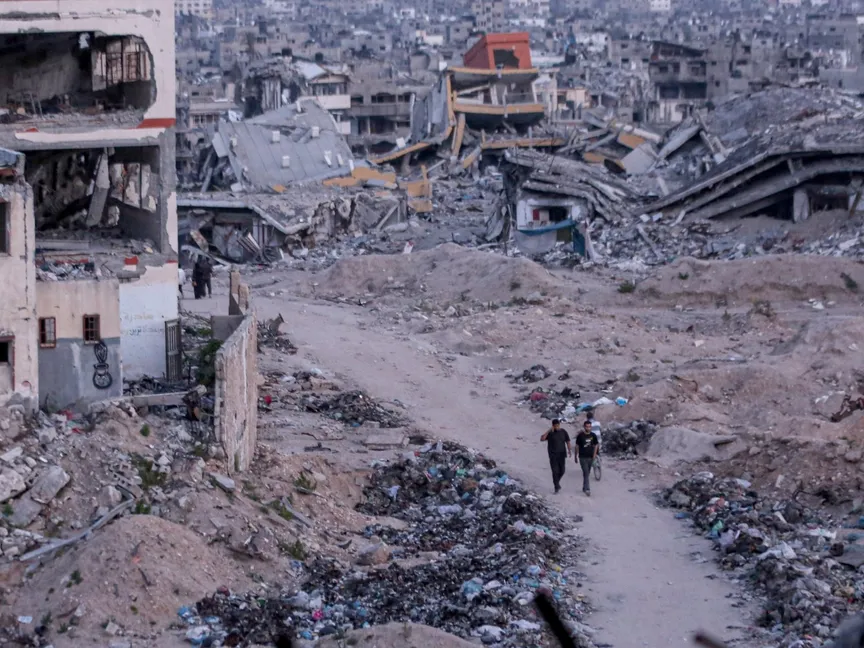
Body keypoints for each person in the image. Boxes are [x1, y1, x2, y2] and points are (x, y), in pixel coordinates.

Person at [541, 419, 571, 494]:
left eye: (558, 425)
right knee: (555, 471)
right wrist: (549, 430)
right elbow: (542, 438)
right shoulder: (550, 433)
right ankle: (556, 487)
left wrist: (569, 450)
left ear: (559, 425)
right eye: (555, 426)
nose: (557, 427)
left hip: (562, 455)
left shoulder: (563, 431)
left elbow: (568, 441)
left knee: (562, 471)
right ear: (553, 426)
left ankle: (556, 482)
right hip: (553, 456)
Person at [575, 420, 600, 496]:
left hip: (590, 457)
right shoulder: (580, 436)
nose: (588, 428)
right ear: (584, 427)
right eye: (587, 427)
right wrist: (575, 456)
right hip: (582, 457)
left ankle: (584, 487)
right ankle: (588, 489)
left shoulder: (593, 435)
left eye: (589, 427)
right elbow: (577, 446)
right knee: (586, 473)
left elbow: (596, 445)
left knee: (587, 473)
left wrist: (594, 455)